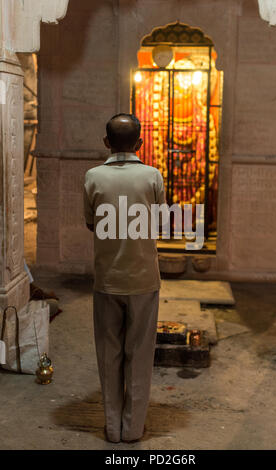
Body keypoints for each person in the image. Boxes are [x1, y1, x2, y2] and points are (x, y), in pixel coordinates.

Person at [83, 113, 165, 443]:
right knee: (140, 355)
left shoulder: (93, 177)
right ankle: (133, 428)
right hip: (144, 279)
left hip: (107, 281)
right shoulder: (152, 176)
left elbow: (91, 223)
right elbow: (156, 221)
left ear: (106, 143)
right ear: (140, 143)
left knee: (109, 354)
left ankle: (112, 427)